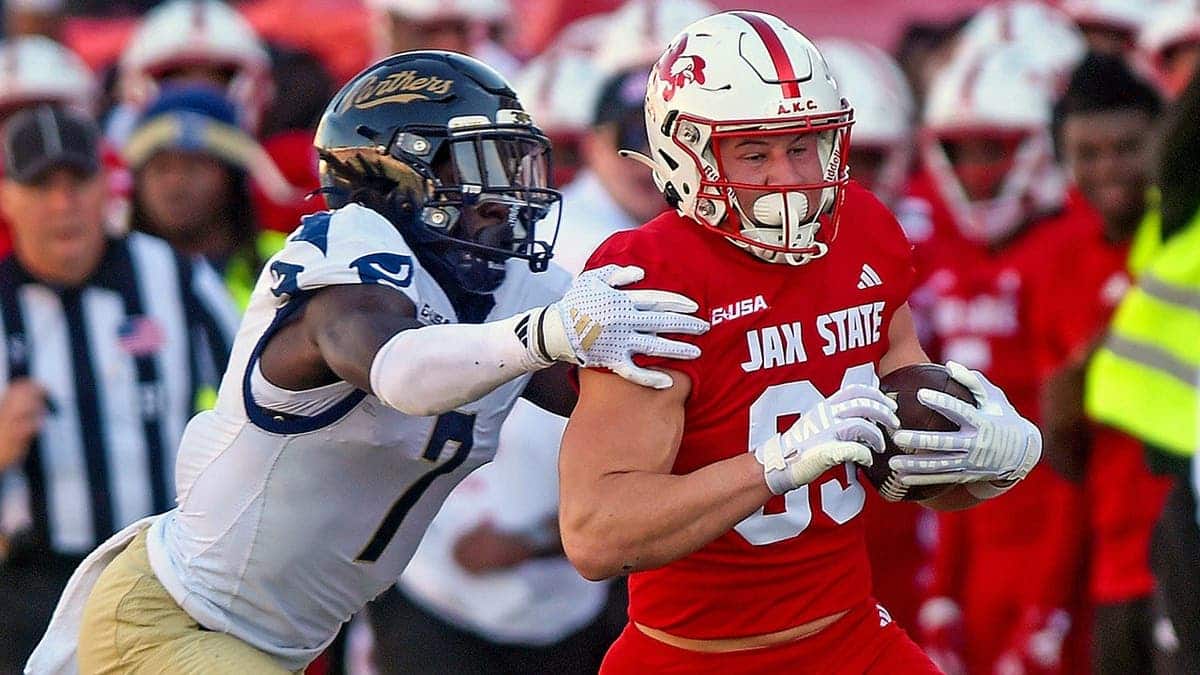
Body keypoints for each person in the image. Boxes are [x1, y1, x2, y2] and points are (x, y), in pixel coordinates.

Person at [26, 50, 707, 675]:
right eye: (477, 166)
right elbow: (398, 369)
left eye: (512, 165)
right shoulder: (344, 260)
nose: (504, 195)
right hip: (172, 618)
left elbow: (630, 390)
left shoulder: (506, 285)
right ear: (396, 173)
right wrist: (543, 334)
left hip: (273, 642)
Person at [557, 12, 1042, 673]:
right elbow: (595, 533)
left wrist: (997, 460)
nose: (787, 178)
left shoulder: (863, 229)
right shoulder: (653, 277)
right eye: (755, 153)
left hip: (852, 636)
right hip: (694, 657)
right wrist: (776, 464)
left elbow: (906, 468)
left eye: (803, 145)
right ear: (687, 155)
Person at [0, 105, 238, 672]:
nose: (63, 204)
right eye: (41, 186)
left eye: (78, 182)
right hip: (33, 586)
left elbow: (259, 403)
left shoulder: (177, 277)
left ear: (107, 185)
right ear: (7, 197)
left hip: (167, 572)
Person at [1033, 52, 1174, 675]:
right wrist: (1068, 397)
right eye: (1087, 153)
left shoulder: (1185, 248)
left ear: (1162, 143)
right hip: (1114, 568)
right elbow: (1064, 454)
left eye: (1127, 148)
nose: (1108, 169)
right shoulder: (1057, 267)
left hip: (1187, 549)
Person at [124, 85, 292, 309]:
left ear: (233, 178)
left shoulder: (288, 262)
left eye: (194, 166)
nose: (176, 182)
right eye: (161, 168)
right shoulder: (113, 278)